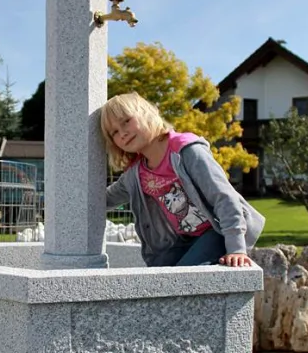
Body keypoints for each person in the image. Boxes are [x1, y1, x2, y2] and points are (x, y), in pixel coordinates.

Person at [100, 92, 265, 267]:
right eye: (114, 132)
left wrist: (236, 248)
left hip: (217, 230)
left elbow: (223, 196)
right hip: (182, 239)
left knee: (181, 274)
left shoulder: (186, 151)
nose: (123, 133)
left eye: (126, 121)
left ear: (147, 113)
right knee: (159, 277)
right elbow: (106, 199)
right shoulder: (136, 172)